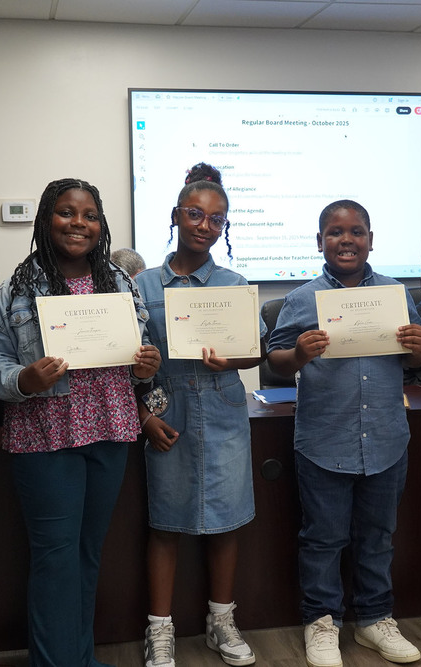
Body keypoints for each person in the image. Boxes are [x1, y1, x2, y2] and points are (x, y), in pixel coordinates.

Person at [0, 178, 161, 667]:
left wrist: (145, 365)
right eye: (66, 212)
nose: (78, 223)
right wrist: (25, 378)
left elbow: (141, 358)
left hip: (109, 429)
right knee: (55, 558)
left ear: (101, 226)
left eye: (89, 215)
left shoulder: (120, 282)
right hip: (45, 436)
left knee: (86, 555)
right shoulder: (16, 289)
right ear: (45, 219)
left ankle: (80, 659)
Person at [267, 199, 421, 667]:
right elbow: (274, 359)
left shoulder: (397, 294)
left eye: (356, 232)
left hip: (384, 437)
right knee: (323, 538)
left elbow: (417, 358)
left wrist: (419, 348)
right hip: (324, 440)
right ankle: (322, 623)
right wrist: (297, 354)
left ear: (371, 241)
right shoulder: (302, 299)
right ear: (320, 242)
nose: (346, 240)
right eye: (335, 233)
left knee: (378, 536)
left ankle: (374, 620)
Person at [136, 163, 263, 667]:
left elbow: (253, 353)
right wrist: (144, 417)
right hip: (169, 413)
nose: (204, 225)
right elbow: (131, 363)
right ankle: (160, 630)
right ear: (176, 215)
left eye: (216, 219)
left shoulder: (233, 282)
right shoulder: (143, 284)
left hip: (225, 407)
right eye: (195, 214)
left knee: (226, 523)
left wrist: (230, 359)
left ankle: (221, 621)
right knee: (165, 523)